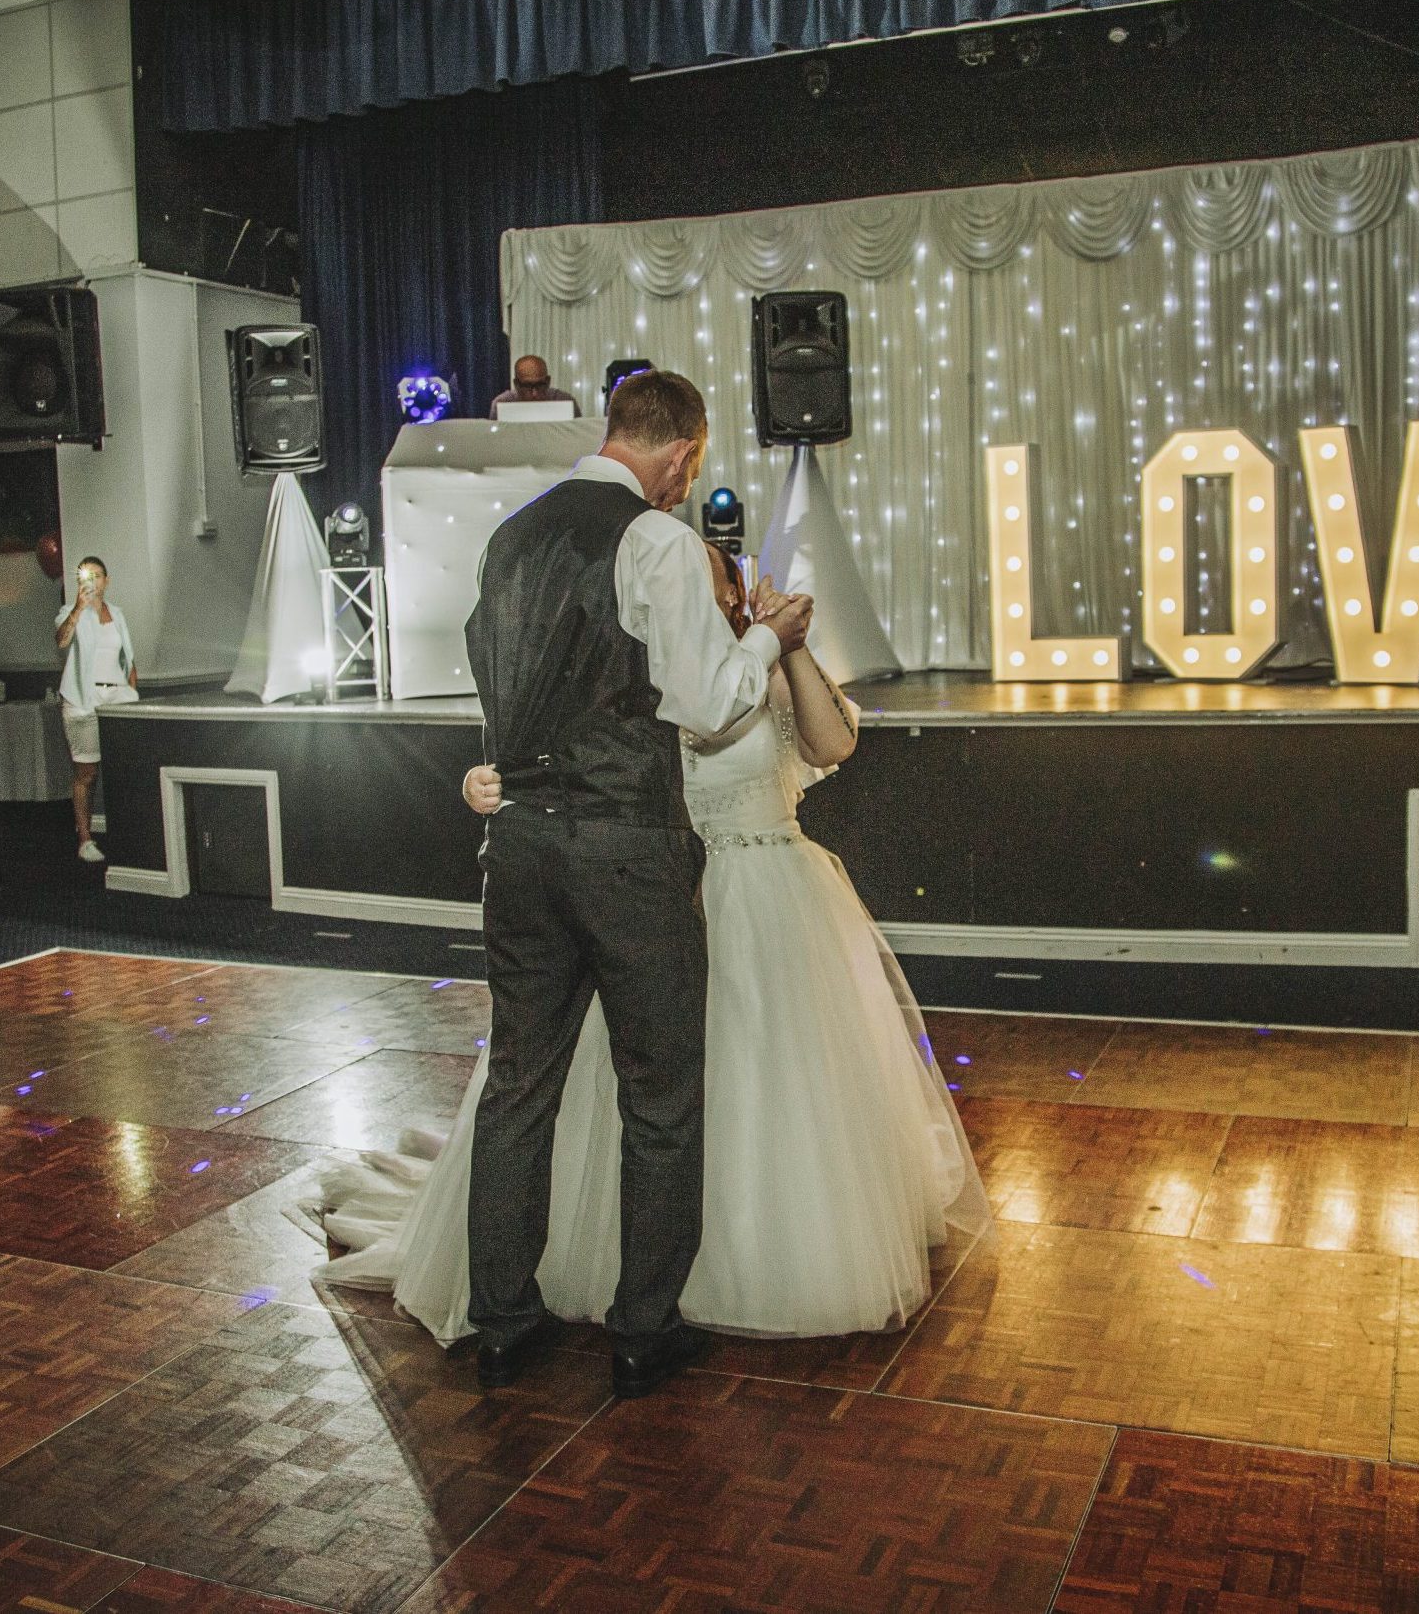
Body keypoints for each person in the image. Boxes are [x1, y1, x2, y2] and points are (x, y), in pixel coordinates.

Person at [312, 541, 989, 1363]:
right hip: (655, 899)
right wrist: (479, 783)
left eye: (709, 585)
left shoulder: (766, 669)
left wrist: (792, 641)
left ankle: (751, 1254)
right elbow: (541, 770)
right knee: (646, 1091)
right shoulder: (626, 686)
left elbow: (831, 745)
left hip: (776, 900)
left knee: (768, 1084)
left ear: (737, 594)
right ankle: (622, 1280)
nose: (689, 599)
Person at [459, 369, 811, 1402]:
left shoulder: (509, 537)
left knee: (518, 1084)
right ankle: (642, 1331)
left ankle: (503, 1325)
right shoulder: (653, 537)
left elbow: (494, 680)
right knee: (660, 1096)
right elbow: (708, 708)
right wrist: (765, 639)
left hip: (518, 844)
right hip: (626, 847)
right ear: (683, 457)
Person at [53, 557, 138, 864]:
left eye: (97, 575)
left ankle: (130, 834)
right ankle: (85, 839)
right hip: (82, 699)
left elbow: (129, 658)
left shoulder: (117, 614)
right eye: (86, 577)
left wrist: (131, 690)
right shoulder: (69, 612)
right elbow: (62, 641)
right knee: (86, 772)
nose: (93, 581)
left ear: (107, 580)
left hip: (117, 699)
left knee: (125, 766)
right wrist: (77, 608)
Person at [489, 354, 581, 417]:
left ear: (548, 381)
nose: (534, 393)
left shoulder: (564, 400)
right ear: (516, 384)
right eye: (527, 386)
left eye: (540, 385)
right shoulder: (503, 403)